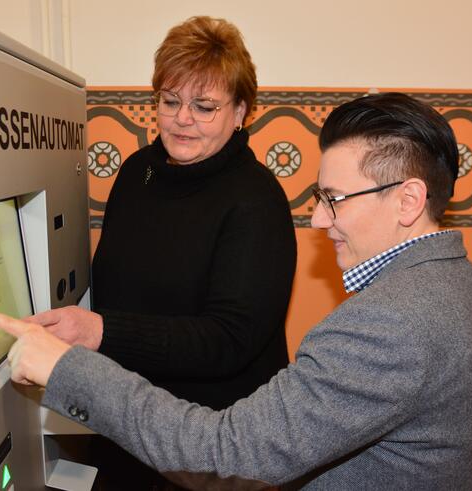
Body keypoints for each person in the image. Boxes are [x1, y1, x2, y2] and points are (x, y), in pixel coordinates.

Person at [0, 92, 472, 490]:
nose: (319, 220)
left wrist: (65, 371)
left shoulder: (390, 322)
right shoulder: (461, 278)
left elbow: (224, 453)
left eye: (334, 199)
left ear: (407, 200)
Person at [31, 15, 296, 489]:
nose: (182, 118)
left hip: (210, 449)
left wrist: (101, 329)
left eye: (205, 106)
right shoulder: (137, 173)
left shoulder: (256, 200)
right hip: (125, 427)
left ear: (241, 112)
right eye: (170, 101)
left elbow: (230, 339)